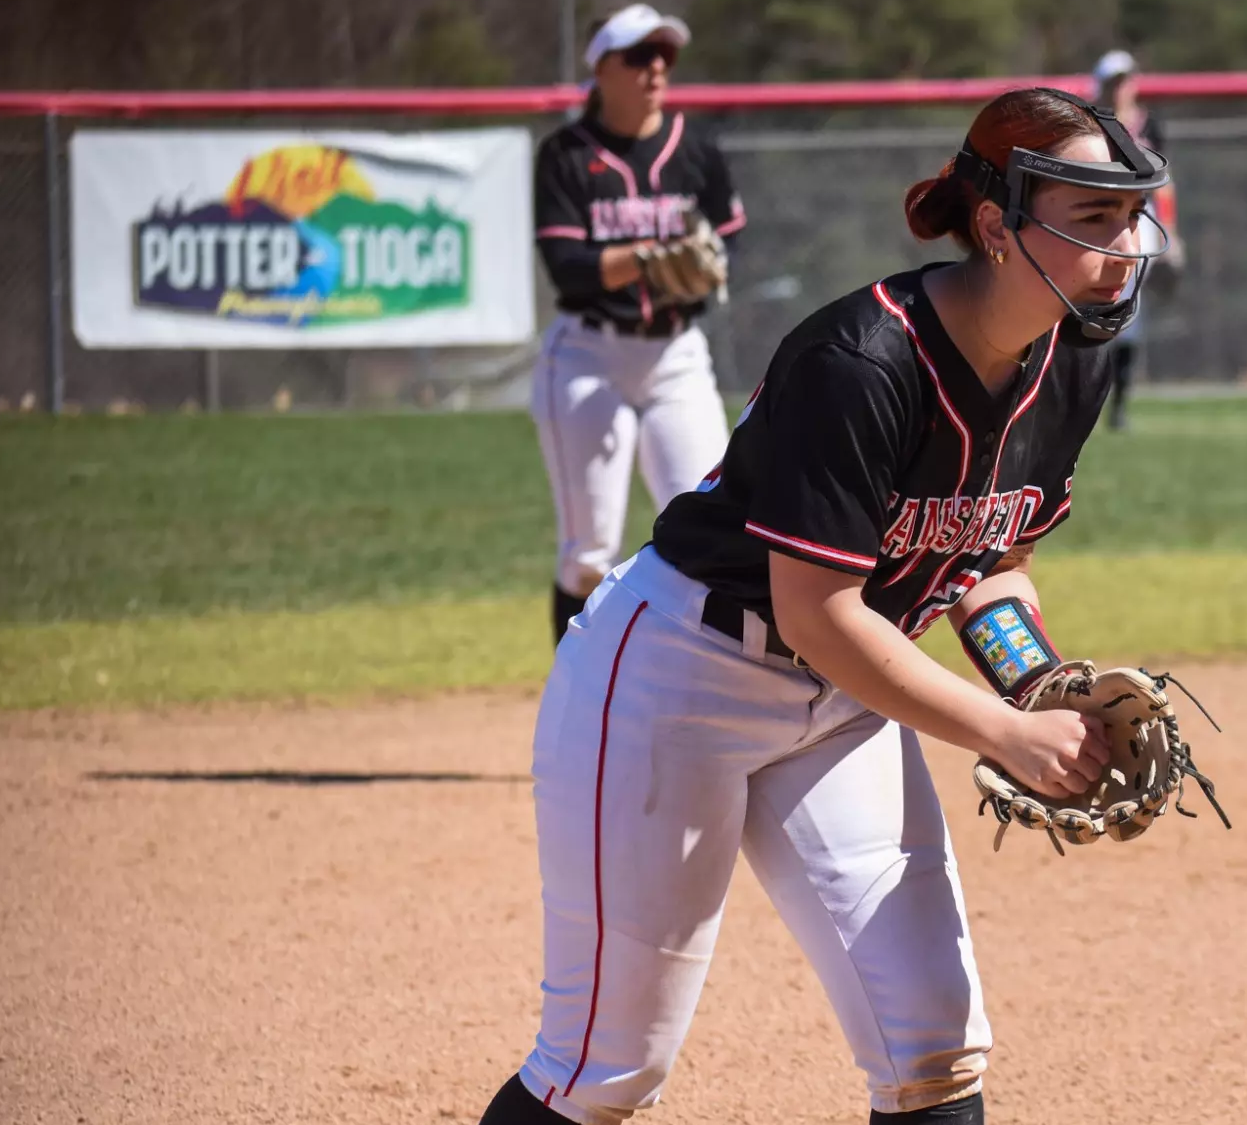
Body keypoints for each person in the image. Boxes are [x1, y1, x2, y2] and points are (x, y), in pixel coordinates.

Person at [474, 86, 1172, 1125]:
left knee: (934, 1042)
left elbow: (988, 557)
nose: (1122, 246)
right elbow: (816, 612)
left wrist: (1038, 681)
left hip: (842, 697)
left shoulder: (1073, 361)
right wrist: (1006, 732)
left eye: (1128, 217)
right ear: (994, 225)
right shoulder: (861, 361)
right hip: (677, 676)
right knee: (606, 1066)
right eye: (1089, 219)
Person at [530, 3, 747, 646]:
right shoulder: (566, 155)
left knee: (710, 532)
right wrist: (653, 258)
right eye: (638, 56)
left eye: (665, 56)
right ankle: (574, 697)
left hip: (676, 356)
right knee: (589, 551)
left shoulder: (696, 149)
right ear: (601, 67)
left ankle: (690, 692)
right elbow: (569, 268)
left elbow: (725, 246)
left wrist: (702, 267)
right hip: (588, 357)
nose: (655, 68)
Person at [1092, 48, 1184, 431]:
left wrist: (1172, 233)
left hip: (1140, 219)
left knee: (1129, 308)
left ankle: (1119, 406)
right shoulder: (1090, 123)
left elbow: (1165, 182)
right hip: (1095, 219)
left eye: (1125, 80)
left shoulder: (1149, 124)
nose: (1121, 89)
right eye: (1114, 82)